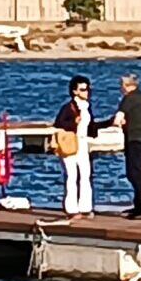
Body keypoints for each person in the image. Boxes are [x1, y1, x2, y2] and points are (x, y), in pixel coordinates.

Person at [51, 75, 103, 214]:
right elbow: (59, 123)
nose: (87, 92)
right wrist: (74, 122)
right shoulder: (68, 107)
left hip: (83, 142)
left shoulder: (87, 107)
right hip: (71, 143)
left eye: (88, 89)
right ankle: (71, 207)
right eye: (83, 89)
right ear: (75, 91)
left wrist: (109, 122)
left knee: (86, 174)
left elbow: (91, 126)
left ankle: (85, 206)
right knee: (72, 175)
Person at [116, 72, 141, 217]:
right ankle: (139, 205)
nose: (121, 88)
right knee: (139, 173)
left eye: (121, 85)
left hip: (134, 140)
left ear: (127, 85)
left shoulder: (129, 99)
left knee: (134, 174)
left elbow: (118, 119)